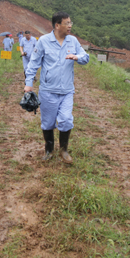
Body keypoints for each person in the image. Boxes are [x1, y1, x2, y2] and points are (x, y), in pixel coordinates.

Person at [24, 12, 89, 164]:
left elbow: (85, 57)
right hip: (48, 91)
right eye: (67, 23)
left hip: (66, 91)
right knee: (47, 122)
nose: (70, 26)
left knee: (66, 119)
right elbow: (33, 63)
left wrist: (77, 57)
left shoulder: (73, 41)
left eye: (70, 23)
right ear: (57, 25)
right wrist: (28, 84)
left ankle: (64, 150)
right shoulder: (44, 41)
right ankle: (49, 150)